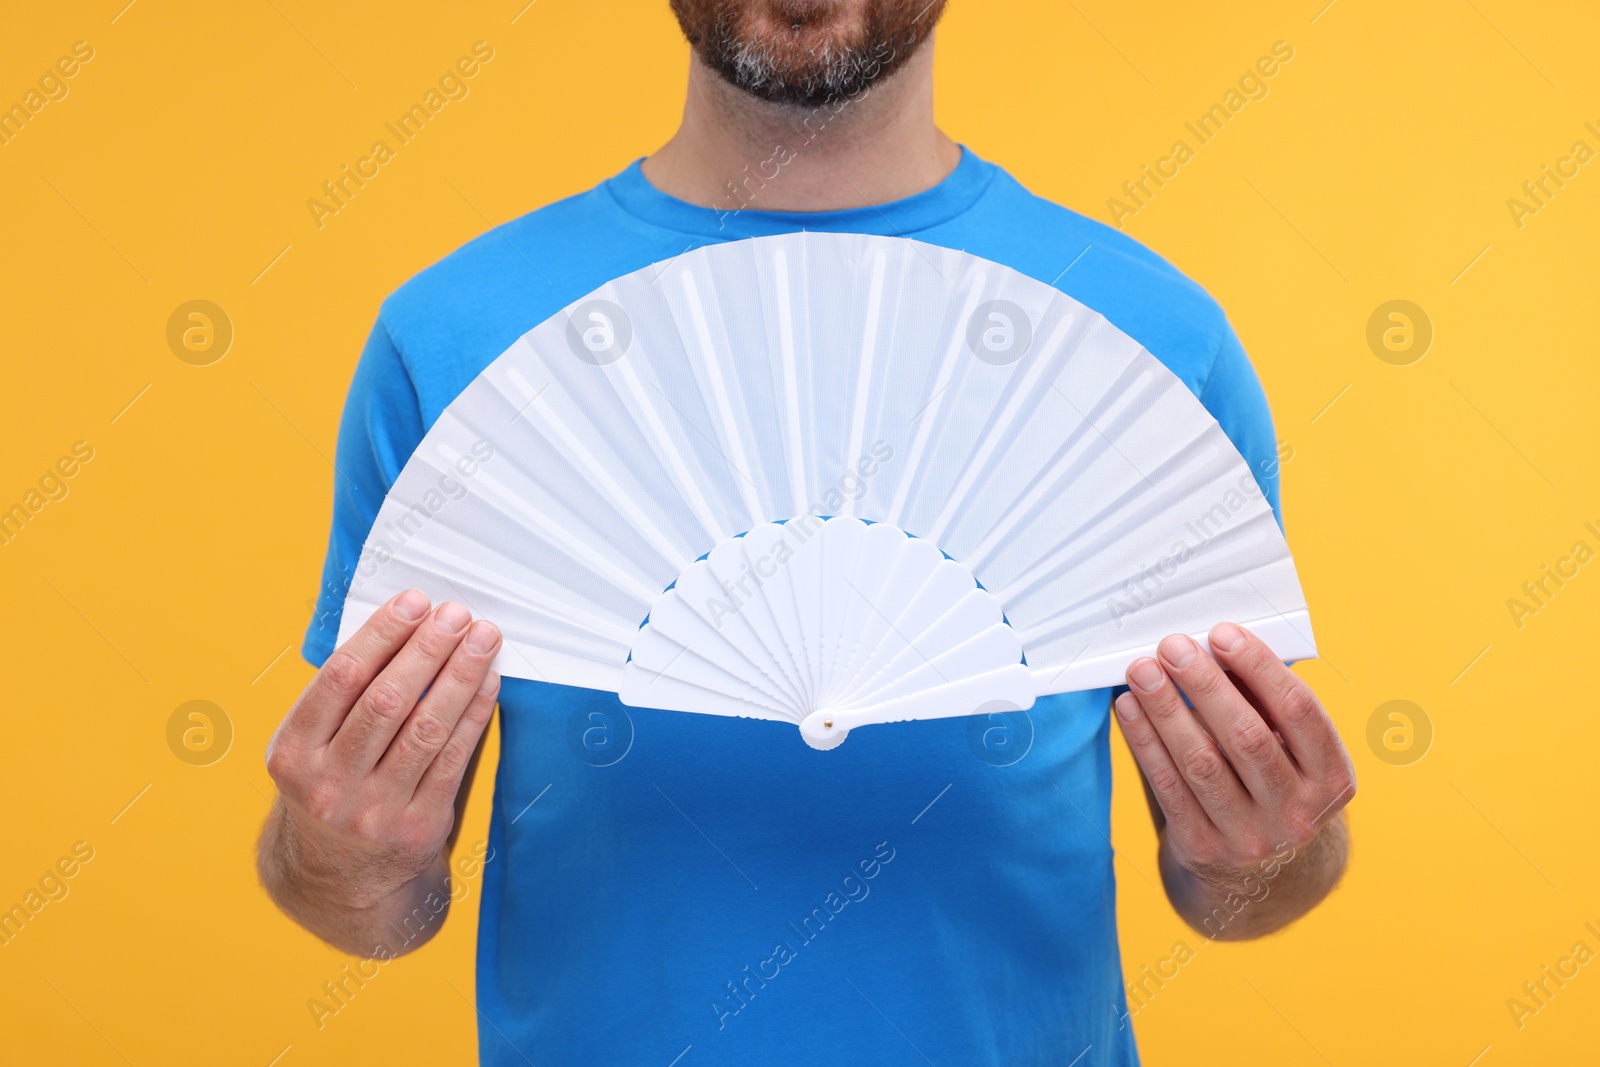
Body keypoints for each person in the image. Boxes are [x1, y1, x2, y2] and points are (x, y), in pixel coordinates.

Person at [257, 2, 1357, 1063]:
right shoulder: (452, 340)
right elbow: (372, 912)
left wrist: (1272, 847)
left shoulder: (1154, 342)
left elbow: (1242, 894)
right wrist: (339, 853)